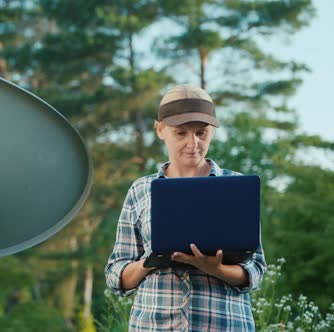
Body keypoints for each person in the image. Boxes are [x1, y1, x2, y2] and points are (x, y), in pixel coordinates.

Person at [104, 85, 266, 331]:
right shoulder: (140, 190)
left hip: (224, 325)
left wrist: (217, 269)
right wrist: (148, 262)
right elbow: (116, 274)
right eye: (181, 133)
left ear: (211, 131)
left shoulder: (236, 188)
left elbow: (255, 270)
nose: (193, 143)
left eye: (202, 133)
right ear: (160, 130)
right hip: (154, 325)